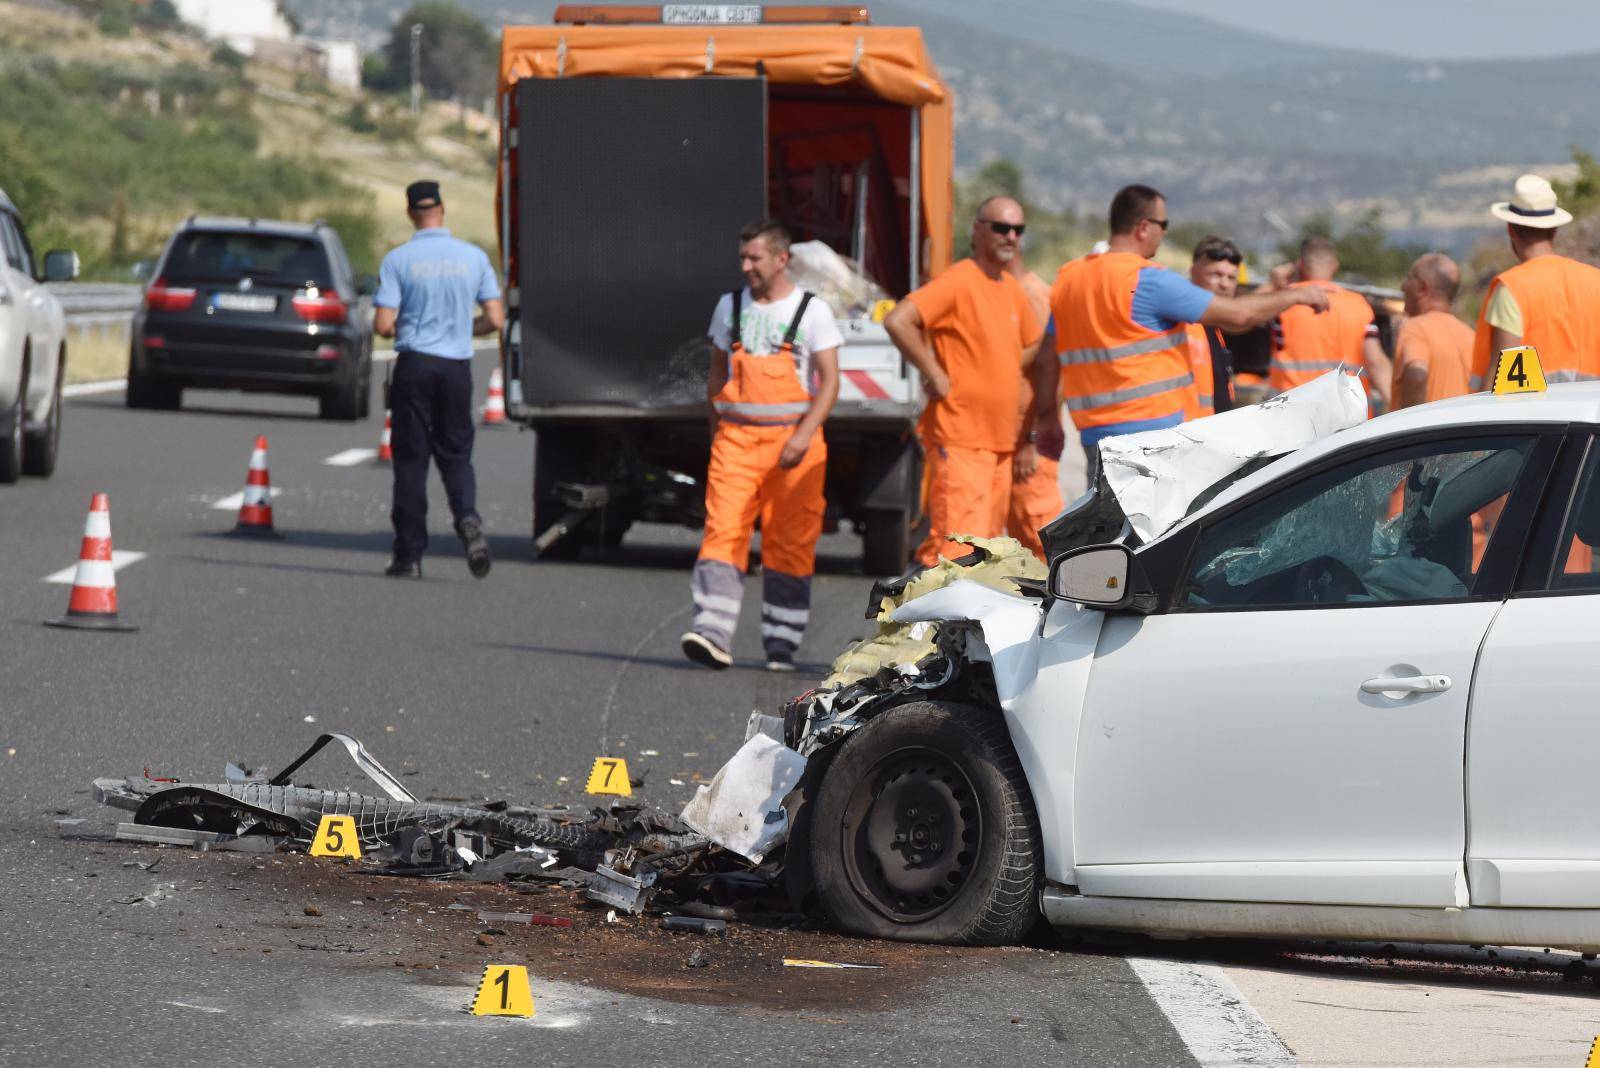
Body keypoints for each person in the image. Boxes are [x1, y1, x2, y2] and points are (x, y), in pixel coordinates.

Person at [1052, 184, 1329, 467]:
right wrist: (1297, 293)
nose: (1165, 233)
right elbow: (1239, 315)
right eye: (1164, 224)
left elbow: (1049, 357)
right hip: (1149, 439)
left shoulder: (1068, 279)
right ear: (1143, 227)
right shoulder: (1147, 280)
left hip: (1095, 438)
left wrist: (1047, 418)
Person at [681, 219, 841, 673]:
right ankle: (711, 633)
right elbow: (717, 373)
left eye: (755, 257)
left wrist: (805, 434)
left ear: (781, 259)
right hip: (735, 442)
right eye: (742, 257)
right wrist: (717, 428)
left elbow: (830, 382)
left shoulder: (812, 312)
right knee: (722, 531)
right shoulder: (729, 306)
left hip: (795, 446)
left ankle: (781, 644)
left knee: (790, 541)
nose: (746, 266)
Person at [884, 196, 1044, 566]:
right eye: (1001, 228)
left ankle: (962, 625)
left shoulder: (1009, 288)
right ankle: (930, 624)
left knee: (984, 554)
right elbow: (898, 321)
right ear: (977, 230)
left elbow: (1036, 342)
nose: (1010, 237)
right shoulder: (958, 280)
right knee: (953, 553)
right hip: (961, 441)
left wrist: (999, 368)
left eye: (1018, 230)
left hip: (999, 445)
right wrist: (934, 372)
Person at [373, 180, 503, 579]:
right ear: (442, 209)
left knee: (412, 461)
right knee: (456, 454)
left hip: (415, 365)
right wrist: (467, 329)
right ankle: (467, 518)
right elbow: (496, 318)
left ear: (411, 213)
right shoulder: (473, 257)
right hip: (455, 368)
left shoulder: (398, 260)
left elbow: (382, 324)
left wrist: (407, 328)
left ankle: (409, 556)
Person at [1470, 173, 1600, 390]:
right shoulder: (1595, 280)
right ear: (1554, 229)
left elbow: (1500, 375)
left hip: (1537, 419)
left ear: (1511, 229)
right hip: (1591, 416)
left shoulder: (1513, 288)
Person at [1268, 236, 1392, 405]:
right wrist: (1400, 411)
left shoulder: (1282, 300)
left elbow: (1247, 311)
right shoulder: (1359, 305)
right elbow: (1376, 363)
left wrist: (1274, 283)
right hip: (1348, 413)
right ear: (1334, 266)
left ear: (1300, 265)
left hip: (1292, 411)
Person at [1003, 249, 1063, 561]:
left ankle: (1064, 605)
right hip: (1007, 441)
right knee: (1021, 545)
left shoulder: (1033, 294)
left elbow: (1051, 369)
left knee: (1041, 536)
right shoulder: (1006, 292)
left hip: (1029, 445)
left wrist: (1033, 440)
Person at [1391, 253, 1473, 409]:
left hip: (1430, 432)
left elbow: (1417, 376)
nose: (1403, 286)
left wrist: (1410, 427)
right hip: (1464, 431)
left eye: (1409, 278)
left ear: (1422, 287)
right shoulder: (1470, 335)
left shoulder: (1416, 328)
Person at [1184, 235, 1243, 417]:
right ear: (1193, 272)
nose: (1225, 284)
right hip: (1187, 437)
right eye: (1216, 275)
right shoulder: (1182, 323)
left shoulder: (1214, 327)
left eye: (1231, 277)